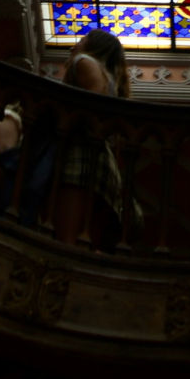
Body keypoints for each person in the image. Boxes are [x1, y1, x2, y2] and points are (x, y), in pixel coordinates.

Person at [53, 29, 136, 249]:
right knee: (88, 236)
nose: (73, 47)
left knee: (67, 237)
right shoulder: (111, 78)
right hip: (103, 161)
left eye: (80, 41)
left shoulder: (84, 61)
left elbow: (93, 101)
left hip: (81, 152)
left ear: (93, 46)